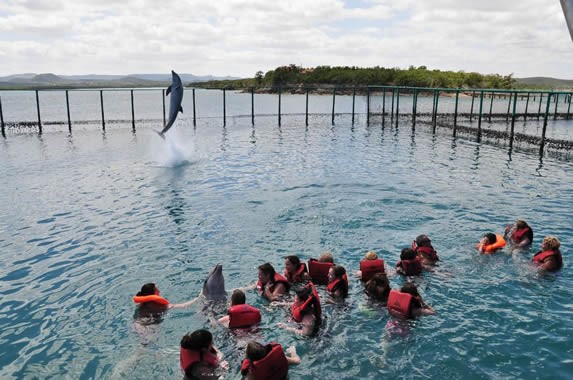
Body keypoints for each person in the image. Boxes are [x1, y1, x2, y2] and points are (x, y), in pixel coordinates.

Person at [133, 283, 198, 324]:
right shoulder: (159, 305)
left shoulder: (142, 304)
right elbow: (183, 306)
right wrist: (197, 299)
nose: (159, 291)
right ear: (152, 294)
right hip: (150, 325)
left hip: (137, 324)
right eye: (156, 290)